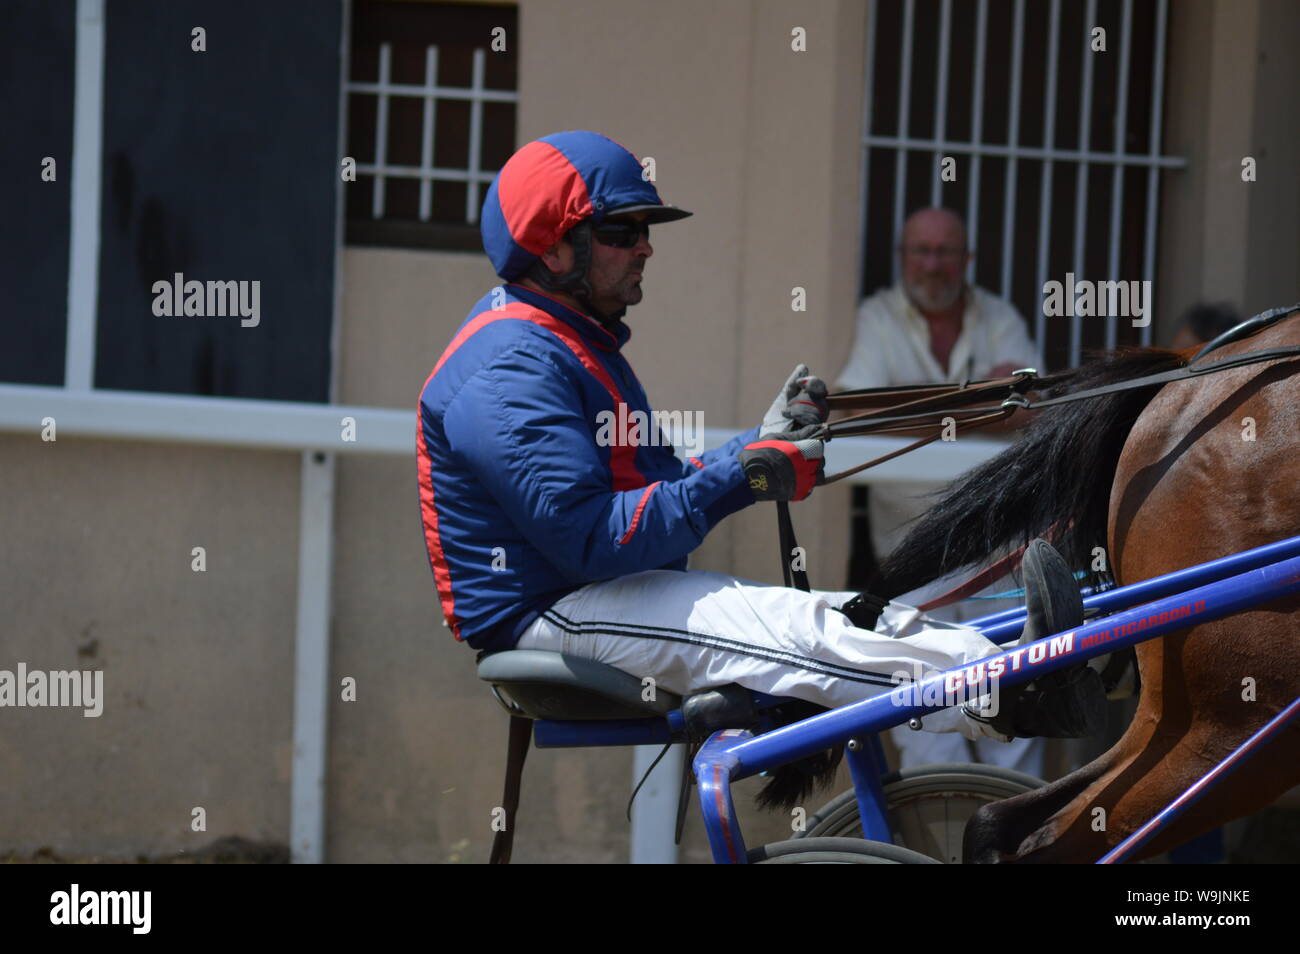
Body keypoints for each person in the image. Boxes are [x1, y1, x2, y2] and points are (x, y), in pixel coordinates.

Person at [416, 131, 1101, 749]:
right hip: (551, 610)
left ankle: (1019, 670)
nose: (647, 246)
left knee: (832, 614)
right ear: (556, 247)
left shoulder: (570, 342)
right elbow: (595, 539)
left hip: (596, 590)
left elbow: (655, 490)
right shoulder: (510, 366)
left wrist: (761, 443)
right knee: (794, 633)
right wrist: (743, 474)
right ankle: (1008, 686)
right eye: (624, 231)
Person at [836, 207, 1047, 774]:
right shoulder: (878, 315)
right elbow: (859, 411)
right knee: (926, 714)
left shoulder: (998, 315)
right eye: (920, 252)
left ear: (967, 260)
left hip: (997, 548)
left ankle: (1017, 848)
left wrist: (913, 407)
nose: (932, 265)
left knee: (1013, 703)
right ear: (903, 259)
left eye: (944, 252)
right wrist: (980, 400)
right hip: (914, 552)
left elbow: (1029, 410)